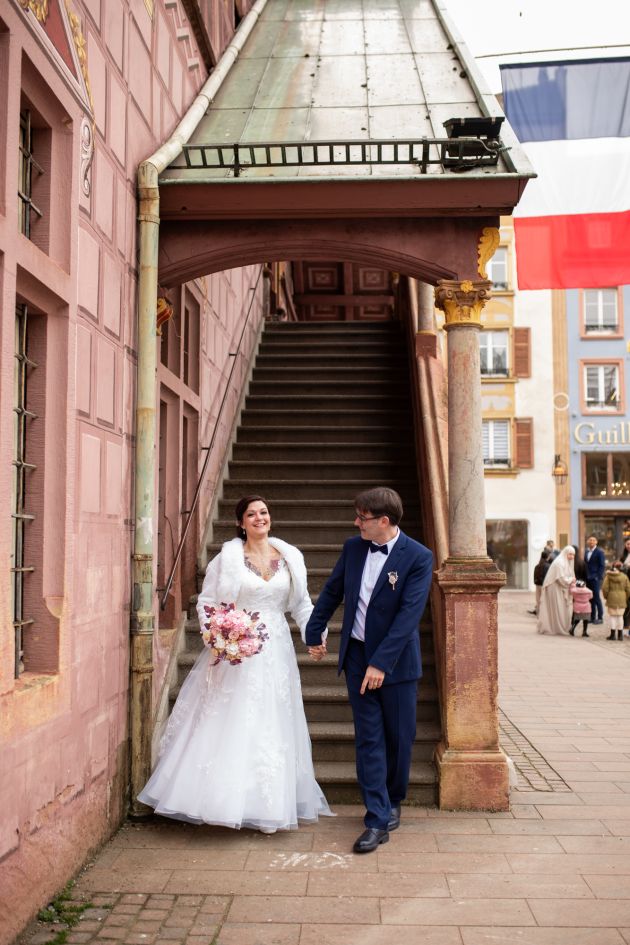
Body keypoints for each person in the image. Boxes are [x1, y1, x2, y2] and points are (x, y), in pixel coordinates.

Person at [138, 495, 332, 832]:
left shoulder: (290, 557)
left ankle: (267, 806)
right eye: (251, 514)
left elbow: (301, 604)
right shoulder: (227, 560)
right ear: (240, 523)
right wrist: (219, 636)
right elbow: (208, 602)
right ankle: (220, 801)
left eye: (264, 512)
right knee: (235, 717)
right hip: (238, 651)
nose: (259, 518)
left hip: (277, 649)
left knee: (273, 719)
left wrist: (314, 636)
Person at [304, 487, 433, 854]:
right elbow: (332, 592)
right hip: (358, 656)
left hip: (396, 663)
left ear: (384, 521)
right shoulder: (353, 548)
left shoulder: (419, 557)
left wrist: (382, 663)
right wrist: (314, 631)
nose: (356, 523)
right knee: (369, 737)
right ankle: (376, 817)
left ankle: (393, 798)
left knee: (399, 737)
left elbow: (409, 616)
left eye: (362, 518)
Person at [537, 545, 575, 635]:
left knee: (561, 608)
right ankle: (556, 628)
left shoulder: (565, 562)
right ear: (565, 553)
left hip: (559, 588)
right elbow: (561, 579)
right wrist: (571, 580)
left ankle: (559, 627)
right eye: (570, 554)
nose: (572, 557)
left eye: (573, 555)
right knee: (558, 608)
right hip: (554, 588)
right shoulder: (559, 563)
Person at [602, 561, 630, 641]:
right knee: (620, 616)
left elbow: (604, 588)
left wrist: (606, 597)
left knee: (613, 617)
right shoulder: (625, 577)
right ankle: (620, 635)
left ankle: (613, 635)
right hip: (622, 598)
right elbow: (628, 589)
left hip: (611, 598)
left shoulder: (608, 576)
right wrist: (625, 597)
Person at [584, 534, 606, 624]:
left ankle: (600, 617)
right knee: (590, 599)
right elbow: (586, 564)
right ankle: (592, 617)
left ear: (596, 542)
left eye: (593, 540)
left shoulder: (599, 552)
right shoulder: (586, 551)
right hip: (588, 578)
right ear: (587, 542)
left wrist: (598, 577)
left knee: (597, 598)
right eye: (590, 540)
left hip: (595, 579)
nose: (591, 541)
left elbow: (602, 566)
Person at [528, 549, 551, 615]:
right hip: (544, 585)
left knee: (538, 600)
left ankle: (538, 613)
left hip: (537, 585)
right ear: (547, 557)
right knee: (544, 600)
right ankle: (543, 614)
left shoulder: (537, 566)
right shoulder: (548, 566)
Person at [620, 538, 630, 635]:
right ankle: (625, 627)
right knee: (625, 605)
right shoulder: (623, 556)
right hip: (624, 583)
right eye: (627, 544)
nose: (629, 546)